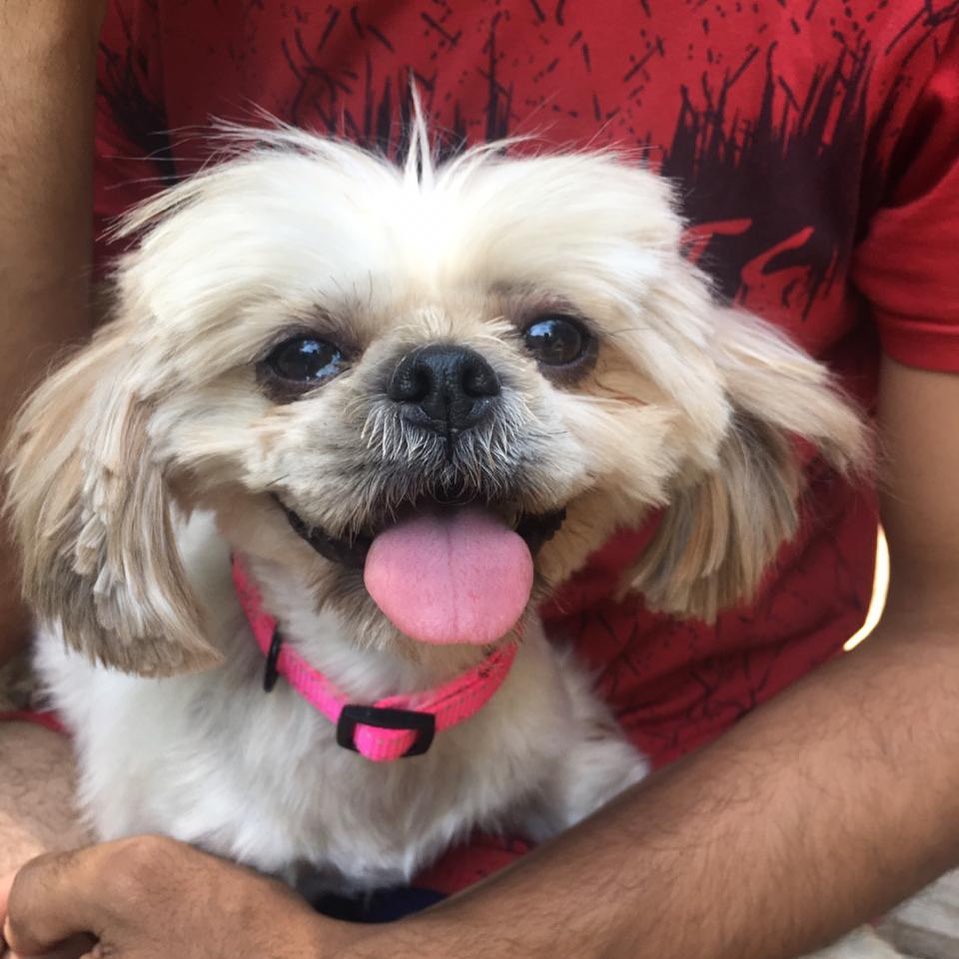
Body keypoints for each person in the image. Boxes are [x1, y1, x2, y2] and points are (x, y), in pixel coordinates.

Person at [1, 1, 958, 956]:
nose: (446, 389)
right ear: (145, 428)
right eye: (301, 357)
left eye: (556, 343)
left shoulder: (909, 30)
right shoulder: (175, 793)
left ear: (705, 408)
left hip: (732, 823)